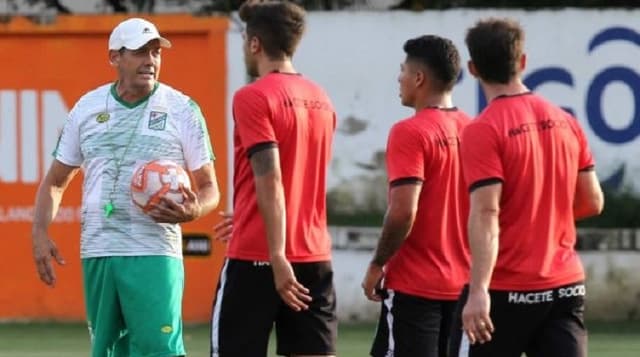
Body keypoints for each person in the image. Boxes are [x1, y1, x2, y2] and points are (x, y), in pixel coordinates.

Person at [31, 17, 220, 357]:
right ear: (115, 57)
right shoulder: (86, 109)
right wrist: (40, 232)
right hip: (98, 251)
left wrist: (193, 209)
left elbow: (210, 189)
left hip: (154, 252)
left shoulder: (182, 109)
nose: (150, 60)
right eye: (139, 52)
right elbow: (56, 182)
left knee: (158, 349)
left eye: (155, 52)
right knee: (106, 351)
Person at [449, 18, 604, 357]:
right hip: (564, 286)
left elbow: (487, 212)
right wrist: (541, 217)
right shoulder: (567, 121)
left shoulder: (483, 130)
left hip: (507, 287)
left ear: (473, 69)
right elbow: (593, 201)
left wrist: (478, 292)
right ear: (522, 62)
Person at [209, 1, 337, 356]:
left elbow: (271, 179)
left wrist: (277, 254)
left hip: (260, 256)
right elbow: (300, 179)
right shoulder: (321, 99)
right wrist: (251, 211)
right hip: (313, 257)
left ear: (255, 44)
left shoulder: (253, 96)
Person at [360, 35, 471, 357]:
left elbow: (402, 211)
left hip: (415, 287)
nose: (399, 78)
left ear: (419, 78)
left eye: (403, 70)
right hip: (464, 286)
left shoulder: (410, 132)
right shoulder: (474, 129)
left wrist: (378, 263)